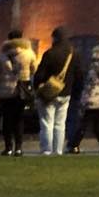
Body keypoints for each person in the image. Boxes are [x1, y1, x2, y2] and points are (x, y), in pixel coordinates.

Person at [33, 27, 76, 155]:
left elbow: (40, 74)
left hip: (49, 93)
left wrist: (37, 87)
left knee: (47, 123)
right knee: (60, 123)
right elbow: (78, 74)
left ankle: (47, 150)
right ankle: (58, 150)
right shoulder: (73, 54)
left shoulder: (49, 53)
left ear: (55, 38)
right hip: (66, 92)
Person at [68, 44, 99, 153]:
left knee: (85, 123)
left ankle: (76, 145)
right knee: (97, 123)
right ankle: (77, 144)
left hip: (88, 96)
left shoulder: (93, 64)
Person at [0, 28, 35, 156]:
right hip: (21, 90)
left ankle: (8, 147)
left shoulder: (2, 55)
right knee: (19, 119)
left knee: (6, 119)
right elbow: (33, 69)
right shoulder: (29, 53)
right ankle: (18, 147)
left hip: (5, 90)